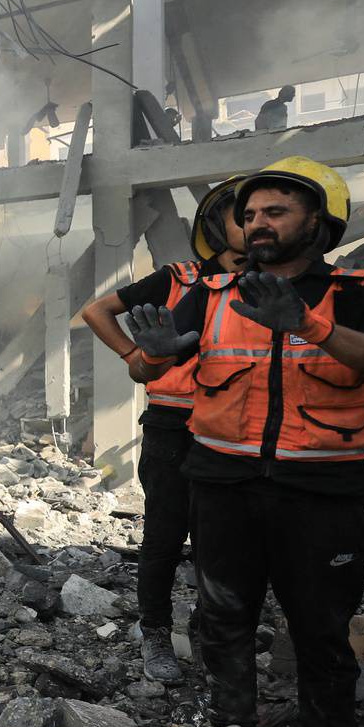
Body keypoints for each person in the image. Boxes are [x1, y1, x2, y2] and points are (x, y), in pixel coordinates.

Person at [125, 157, 364, 727]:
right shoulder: (213, 292)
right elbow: (148, 364)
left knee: (320, 630)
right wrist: (157, 352)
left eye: (276, 211)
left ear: (315, 222)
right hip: (224, 483)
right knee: (223, 616)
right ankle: (234, 723)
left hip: (322, 491)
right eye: (249, 214)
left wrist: (309, 326)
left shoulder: (359, 290)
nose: (258, 222)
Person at [80, 179, 247, 682]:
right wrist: (134, 355)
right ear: (217, 227)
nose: (260, 225)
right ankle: (155, 634)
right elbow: (96, 310)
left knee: (225, 545)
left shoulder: (271, 289)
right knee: (165, 539)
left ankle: (204, 632)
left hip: (237, 432)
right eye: (246, 216)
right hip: (173, 428)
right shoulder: (182, 278)